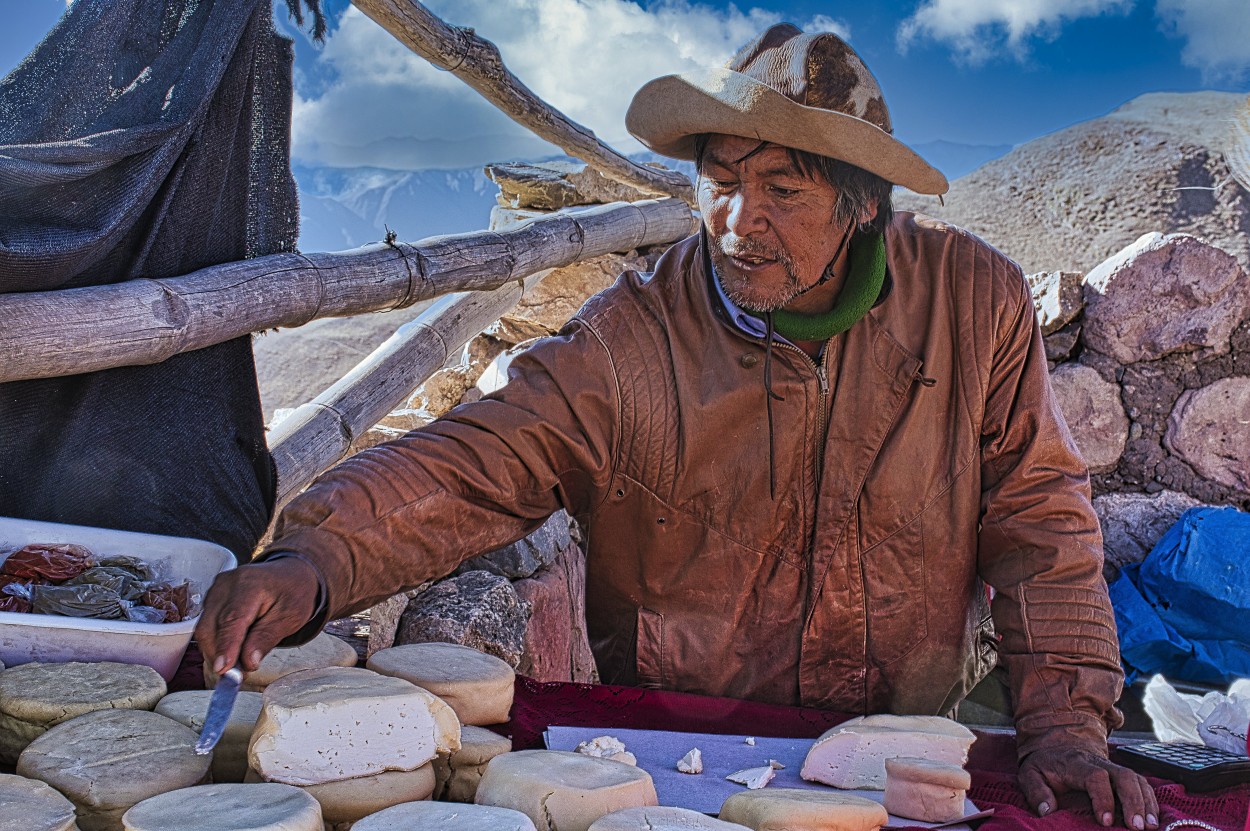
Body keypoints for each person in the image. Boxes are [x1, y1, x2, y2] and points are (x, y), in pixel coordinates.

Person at [197, 23, 1157, 829]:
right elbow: (484, 454)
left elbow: (1040, 517)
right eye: (721, 180)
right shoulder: (634, 337)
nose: (740, 218)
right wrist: (315, 561)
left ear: (862, 206)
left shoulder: (969, 299)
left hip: (901, 747)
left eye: (784, 190)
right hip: (680, 756)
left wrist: (1067, 724)